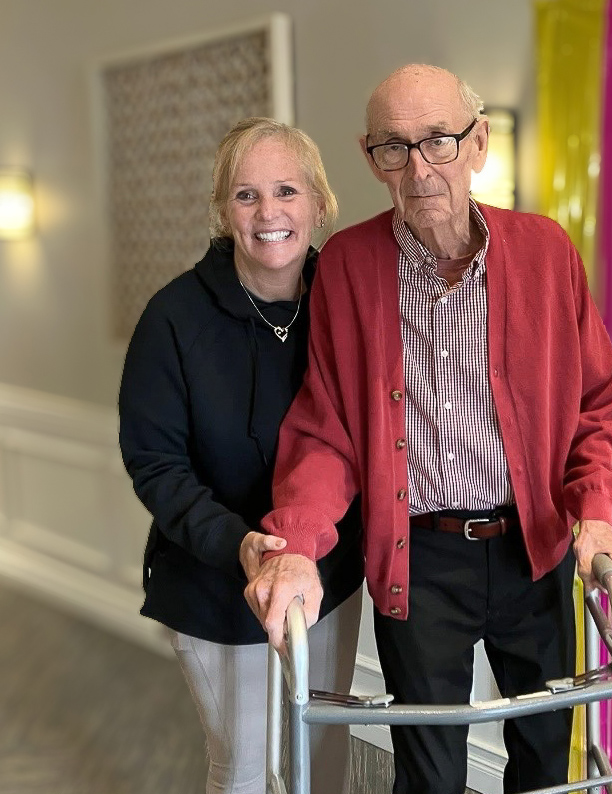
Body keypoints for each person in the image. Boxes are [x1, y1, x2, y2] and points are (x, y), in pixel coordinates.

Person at [245, 65, 612, 794]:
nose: (419, 168)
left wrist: (596, 513)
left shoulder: (546, 252)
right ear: (371, 160)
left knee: (550, 761)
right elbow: (326, 430)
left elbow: (595, 403)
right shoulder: (351, 269)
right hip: (418, 560)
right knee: (429, 773)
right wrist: (295, 544)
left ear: (479, 142)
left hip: (536, 547)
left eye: (439, 142)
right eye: (395, 148)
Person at [118, 117, 364, 794]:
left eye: (286, 190)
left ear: (318, 201)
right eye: (246, 195)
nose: (269, 213)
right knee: (249, 768)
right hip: (216, 584)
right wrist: (241, 543)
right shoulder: (174, 318)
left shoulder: (346, 304)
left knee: (325, 748)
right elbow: (156, 463)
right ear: (224, 211)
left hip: (327, 578)